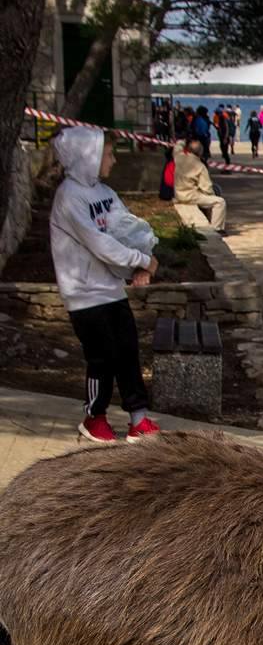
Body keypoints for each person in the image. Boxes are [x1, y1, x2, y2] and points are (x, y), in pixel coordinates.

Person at [48, 126, 162, 443]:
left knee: (127, 351)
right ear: (89, 156)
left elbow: (129, 229)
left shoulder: (104, 193)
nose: (112, 161)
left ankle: (138, 419)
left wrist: (145, 260)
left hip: (110, 288)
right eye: (108, 154)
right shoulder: (69, 197)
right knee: (102, 357)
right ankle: (94, 417)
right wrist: (139, 261)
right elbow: (100, 243)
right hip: (83, 294)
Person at [173, 140, 227, 232]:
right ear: (200, 152)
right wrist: (212, 195)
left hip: (178, 193)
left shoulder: (179, 157)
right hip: (191, 195)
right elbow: (207, 188)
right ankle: (217, 228)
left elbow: (177, 147)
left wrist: (182, 141)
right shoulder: (200, 166)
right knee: (220, 202)